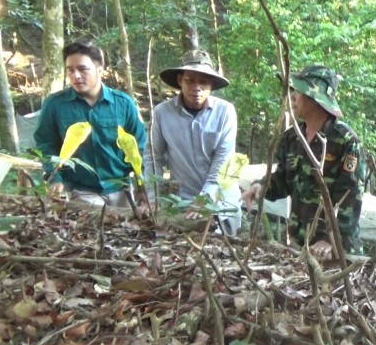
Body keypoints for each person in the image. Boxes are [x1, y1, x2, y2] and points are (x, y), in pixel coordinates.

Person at [241, 65, 365, 259]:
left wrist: (331, 239)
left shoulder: (345, 140)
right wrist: (260, 186)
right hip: (301, 244)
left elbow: (350, 197)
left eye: (298, 91)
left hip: (337, 252)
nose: (293, 96)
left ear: (315, 98)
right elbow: (282, 180)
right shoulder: (292, 138)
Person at [140, 49, 241, 234]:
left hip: (222, 201)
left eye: (203, 81)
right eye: (190, 80)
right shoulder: (162, 113)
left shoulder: (225, 112)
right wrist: (154, 197)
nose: (197, 87)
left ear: (211, 84)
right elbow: (153, 157)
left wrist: (204, 199)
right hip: (182, 201)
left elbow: (223, 161)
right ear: (180, 80)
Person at [34, 41, 146, 207]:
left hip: (121, 189)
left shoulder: (123, 104)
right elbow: (45, 144)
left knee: (128, 230)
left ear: (100, 70)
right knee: (94, 228)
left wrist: (142, 186)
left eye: (82, 69)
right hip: (81, 190)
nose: (75, 76)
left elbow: (140, 147)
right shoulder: (55, 105)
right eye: (70, 70)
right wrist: (54, 178)